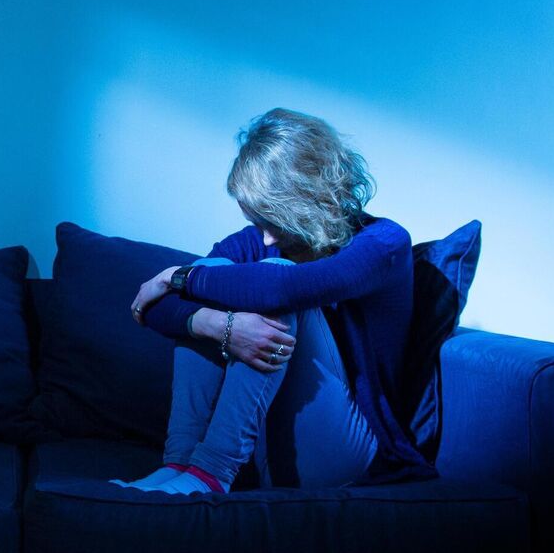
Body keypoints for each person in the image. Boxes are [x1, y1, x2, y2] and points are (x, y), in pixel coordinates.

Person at [109, 107, 439, 495]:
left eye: (274, 219)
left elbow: (280, 290)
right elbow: (155, 308)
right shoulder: (261, 240)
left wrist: (176, 275)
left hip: (350, 449)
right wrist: (220, 327)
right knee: (216, 268)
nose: (265, 238)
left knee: (269, 274)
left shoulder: (383, 243)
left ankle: (211, 475)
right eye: (258, 222)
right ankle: (179, 465)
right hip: (265, 445)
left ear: (311, 199)